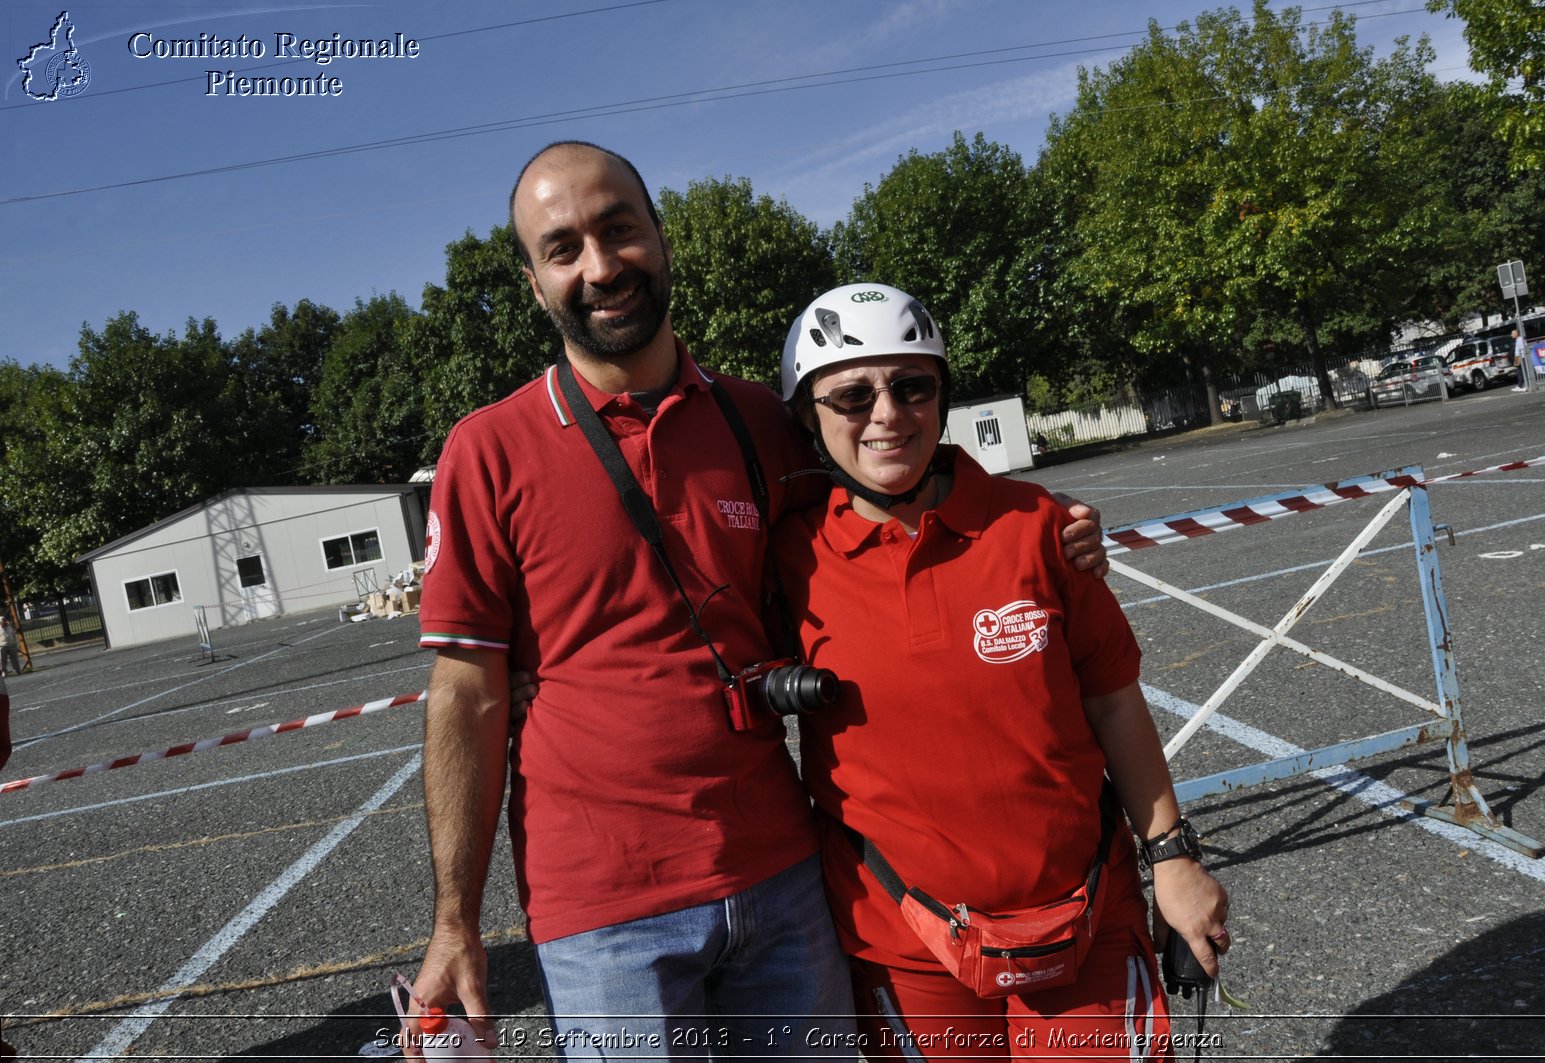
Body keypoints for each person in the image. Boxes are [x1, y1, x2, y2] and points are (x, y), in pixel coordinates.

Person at [410, 141, 1111, 1058]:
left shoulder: (761, 421)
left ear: (660, 241)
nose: (600, 265)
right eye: (564, 247)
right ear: (536, 282)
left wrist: (1041, 524)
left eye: (619, 231)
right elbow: (466, 695)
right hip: (605, 913)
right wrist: (456, 922)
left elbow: (897, 483)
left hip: (783, 878)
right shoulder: (488, 450)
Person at [771, 284, 1230, 1059]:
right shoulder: (788, 560)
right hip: (905, 939)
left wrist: (1175, 857)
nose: (886, 413)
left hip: (1083, 915)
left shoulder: (1040, 527)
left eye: (911, 386)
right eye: (851, 394)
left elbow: (1116, 704)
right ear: (808, 419)